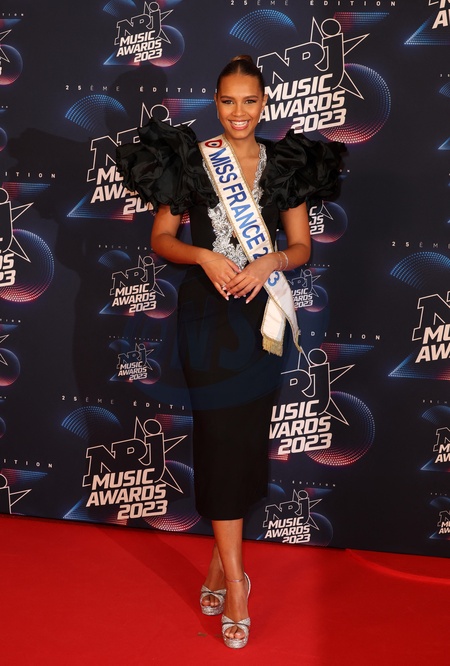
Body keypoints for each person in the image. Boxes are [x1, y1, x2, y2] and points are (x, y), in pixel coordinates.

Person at [116, 55, 344, 649]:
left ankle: (221, 565)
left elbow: (301, 247)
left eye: (249, 101)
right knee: (219, 438)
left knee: (245, 438)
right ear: (215, 102)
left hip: (262, 318)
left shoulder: (284, 164)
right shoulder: (191, 161)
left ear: (263, 104)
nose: (238, 112)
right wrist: (205, 256)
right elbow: (162, 238)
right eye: (227, 101)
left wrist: (270, 261)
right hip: (206, 319)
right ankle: (238, 586)